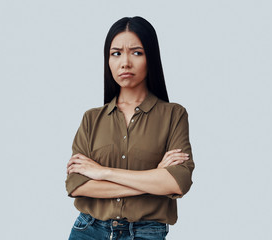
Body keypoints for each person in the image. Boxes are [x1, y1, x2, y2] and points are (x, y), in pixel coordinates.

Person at [65, 16, 195, 240]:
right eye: (116, 53)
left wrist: (103, 172)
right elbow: (76, 185)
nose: (125, 62)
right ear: (108, 60)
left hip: (146, 233)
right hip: (89, 230)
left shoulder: (174, 115)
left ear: (151, 57)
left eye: (136, 52)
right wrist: (154, 180)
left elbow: (177, 182)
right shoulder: (91, 118)